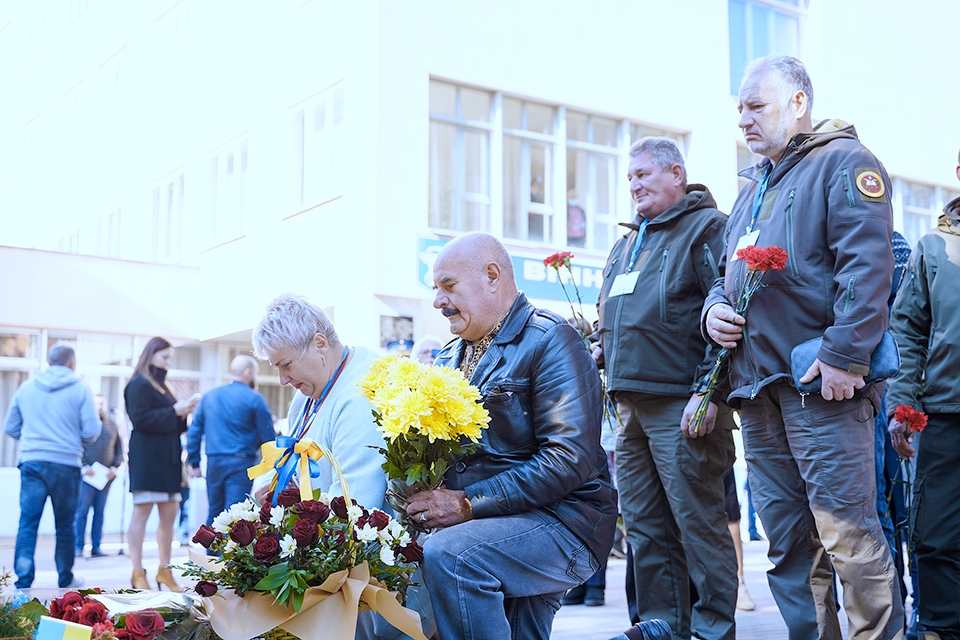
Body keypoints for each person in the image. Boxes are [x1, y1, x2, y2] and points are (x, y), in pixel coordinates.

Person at [703, 55, 902, 638]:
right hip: (758, 391)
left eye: (755, 105)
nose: (743, 119)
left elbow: (868, 269)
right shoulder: (754, 186)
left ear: (798, 103)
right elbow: (725, 272)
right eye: (739, 108)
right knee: (789, 544)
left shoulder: (844, 163)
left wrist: (844, 355)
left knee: (849, 538)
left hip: (821, 386)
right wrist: (716, 306)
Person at [406, 232, 618, 640]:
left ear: (491, 275)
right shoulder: (449, 356)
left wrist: (468, 504)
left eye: (448, 286)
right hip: (493, 526)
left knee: (452, 554)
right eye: (436, 289)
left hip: (564, 522)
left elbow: (567, 458)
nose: (438, 301)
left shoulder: (552, 339)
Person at [593, 137, 737, 639]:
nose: (633, 185)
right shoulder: (628, 241)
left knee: (697, 525)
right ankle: (663, 626)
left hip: (682, 403)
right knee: (645, 526)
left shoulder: (708, 228)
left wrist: (710, 393)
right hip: (629, 405)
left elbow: (731, 310)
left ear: (676, 173)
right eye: (629, 177)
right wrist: (602, 346)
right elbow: (615, 314)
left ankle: (713, 628)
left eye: (642, 175)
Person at [252, 294, 435, 640]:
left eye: (286, 364)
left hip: (370, 580)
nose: (281, 379)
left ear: (320, 344)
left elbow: (355, 503)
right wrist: (277, 490)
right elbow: (304, 463)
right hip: (338, 568)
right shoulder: (310, 391)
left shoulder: (358, 396)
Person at [887, 149, 960, 640]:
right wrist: (904, 408)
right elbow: (909, 330)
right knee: (935, 533)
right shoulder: (934, 247)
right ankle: (938, 626)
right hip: (946, 415)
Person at [4, 343, 101, 589]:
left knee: (27, 522)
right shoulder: (81, 389)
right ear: (73, 363)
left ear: (49, 362)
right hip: (66, 465)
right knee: (65, 524)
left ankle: (24, 581)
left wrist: (33, 441)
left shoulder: (26, 388)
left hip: (32, 463)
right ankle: (65, 578)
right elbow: (91, 431)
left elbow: (10, 427)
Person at [124, 337, 199, 591]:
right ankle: (137, 571)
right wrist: (175, 411)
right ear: (151, 355)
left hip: (168, 460)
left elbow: (173, 424)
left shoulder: (163, 385)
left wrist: (184, 412)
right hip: (147, 459)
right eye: (165, 357)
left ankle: (165, 571)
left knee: (169, 515)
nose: (168, 362)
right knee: (141, 514)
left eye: (170, 358)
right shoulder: (137, 384)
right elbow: (141, 418)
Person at [187, 355, 275, 525]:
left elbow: (194, 430)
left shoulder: (209, 396)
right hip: (241, 463)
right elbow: (268, 438)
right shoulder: (254, 398)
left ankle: (209, 552)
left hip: (214, 461)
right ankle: (225, 552)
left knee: (215, 512)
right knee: (234, 516)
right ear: (248, 373)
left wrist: (195, 462)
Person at [75, 394, 124, 558]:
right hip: (88, 477)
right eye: (96, 404)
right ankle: (78, 547)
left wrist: (114, 467)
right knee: (82, 512)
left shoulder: (112, 424)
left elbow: (119, 449)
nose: (99, 407)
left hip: (105, 478)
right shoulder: (85, 423)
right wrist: (84, 466)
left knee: (99, 513)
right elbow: (77, 446)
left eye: (101, 403)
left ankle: (96, 547)